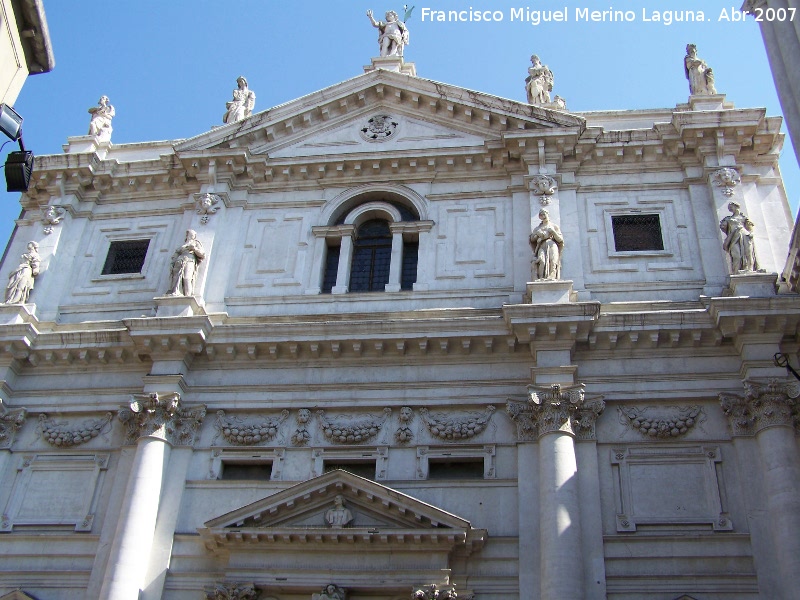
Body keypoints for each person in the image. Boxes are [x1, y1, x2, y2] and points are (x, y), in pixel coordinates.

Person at [719, 202, 758, 272]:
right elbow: (723, 227)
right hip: (733, 237)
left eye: (731, 206)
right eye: (729, 207)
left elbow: (750, 227)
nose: (730, 208)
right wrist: (724, 225)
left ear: (736, 206)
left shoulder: (744, 218)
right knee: (736, 255)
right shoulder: (728, 219)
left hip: (745, 235)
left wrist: (751, 233)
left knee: (748, 253)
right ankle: (736, 271)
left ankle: (750, 269)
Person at [167, 230, 205, 296]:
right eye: (190, 234)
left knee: (187, 278)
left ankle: (187, 296)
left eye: (193, 235)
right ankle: (175, 292)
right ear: (187, 235)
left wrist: (194, 249)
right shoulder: (183, 244)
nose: (191, 236)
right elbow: (176, 254)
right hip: (179, 260)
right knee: (176, 277)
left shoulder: (195, 243)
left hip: (189, 260)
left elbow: (202, 254)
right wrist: (172, 263)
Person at [529, 209, 564, 280]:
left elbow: (560, 239)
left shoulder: (554, 226)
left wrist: (553, 232)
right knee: (541, 261)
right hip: (541, 246)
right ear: (539, 217)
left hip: (552, 244)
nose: (543, 216)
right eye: (541, 215)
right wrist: (536, 235)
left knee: (553, 261)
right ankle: (541, 278)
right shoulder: (537, 228)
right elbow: (532, 239)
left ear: (547, 214)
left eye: (544, 214)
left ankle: (552, 276)